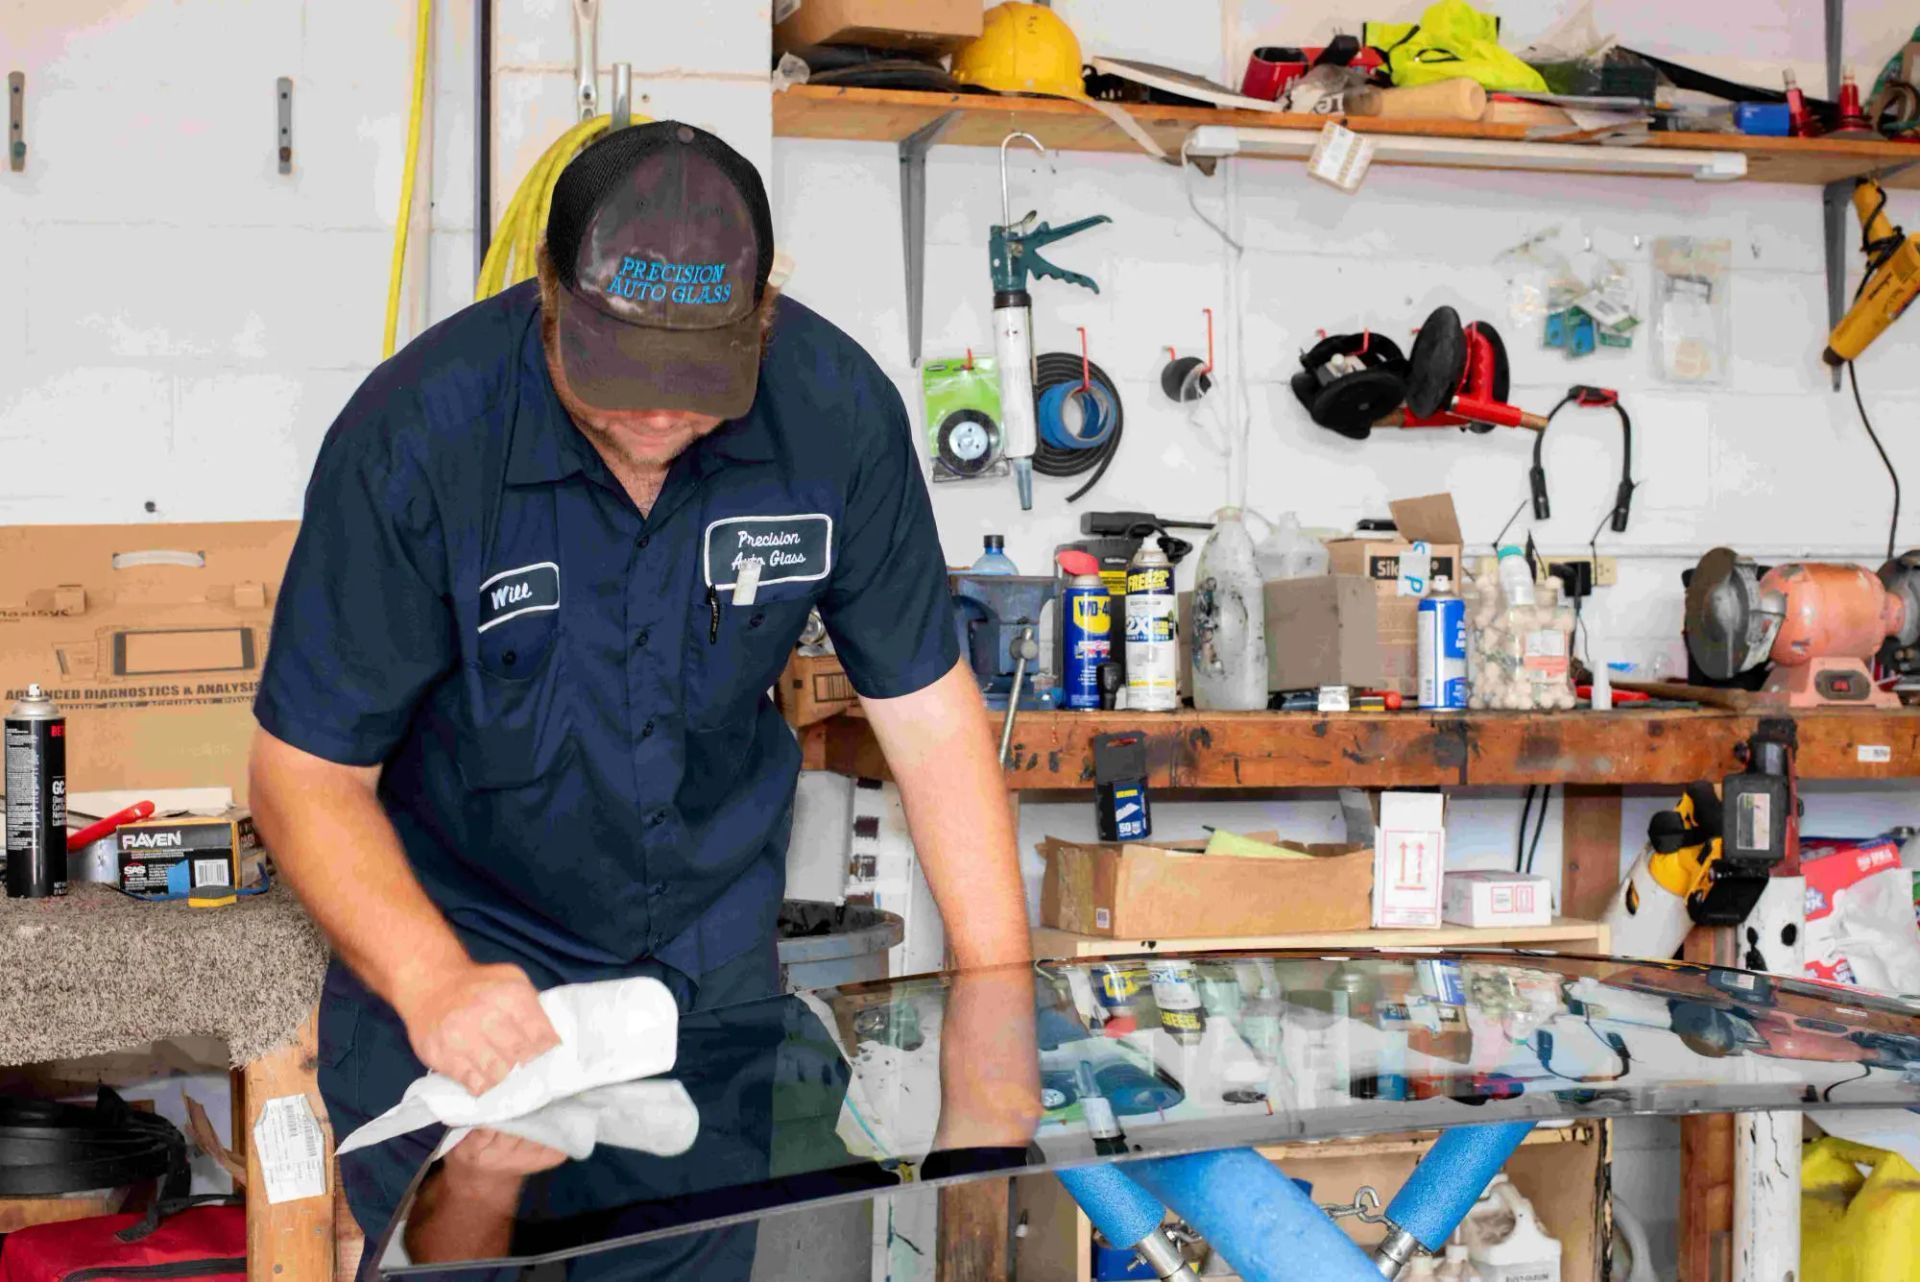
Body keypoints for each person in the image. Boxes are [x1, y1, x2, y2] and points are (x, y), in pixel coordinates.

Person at [249, 121, 1036, 1274]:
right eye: (619, 390)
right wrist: (433, 981)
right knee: (457, 1250)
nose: (658, 425)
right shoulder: (416, 436)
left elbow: (929, 719)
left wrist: (1000, 1012)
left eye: (695, 392)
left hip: (700, 972)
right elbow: (302, 774)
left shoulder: (835, 415)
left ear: (761, 321)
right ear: (550, 304)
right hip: (463, 943)